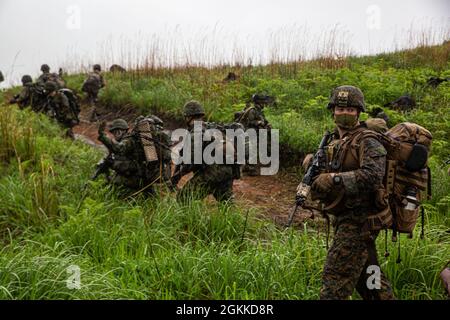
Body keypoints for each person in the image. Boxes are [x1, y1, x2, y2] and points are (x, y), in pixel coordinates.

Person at [305, 85, 394, 300]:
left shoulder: (367, 139)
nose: (344, 113)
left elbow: (372, 175)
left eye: (350, 110)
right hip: (345, 217)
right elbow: (334, 168)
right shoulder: (333, 140)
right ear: (333, 111)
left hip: (359, 221)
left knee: (334, 282)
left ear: (358, 112)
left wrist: (334, 179)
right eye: (340, 109)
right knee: (370, 281)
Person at [172, 101, 235, 203]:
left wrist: (178, 176)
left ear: (188, 117)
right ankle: (233, 219)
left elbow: (191, 162)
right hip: (228, 171)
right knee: (226, 203)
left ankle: (190, 219)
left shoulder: (196, 132)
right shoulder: (212, 127)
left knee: (183, 198)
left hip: (212, 173)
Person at [97, 117, 171, 194]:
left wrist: (103, 137)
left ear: (123, 130)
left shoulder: (129, 140)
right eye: (113, 132)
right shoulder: (135, 140)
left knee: (115, 186)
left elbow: (119, 149)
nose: (115, 135)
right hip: (144, 178)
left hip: (135, 181)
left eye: (117, 131)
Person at [236, 94, 273, 176]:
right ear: (259, 102)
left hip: (256, 132)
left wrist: (267, 124)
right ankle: (250, 168)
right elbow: (250, 122)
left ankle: (247, 166)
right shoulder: (252, 110)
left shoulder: (259, 111)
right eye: (263, 102)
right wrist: (258, 123)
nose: (264, 104)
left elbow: (264, 120)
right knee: (252, 150)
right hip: (249, 132)